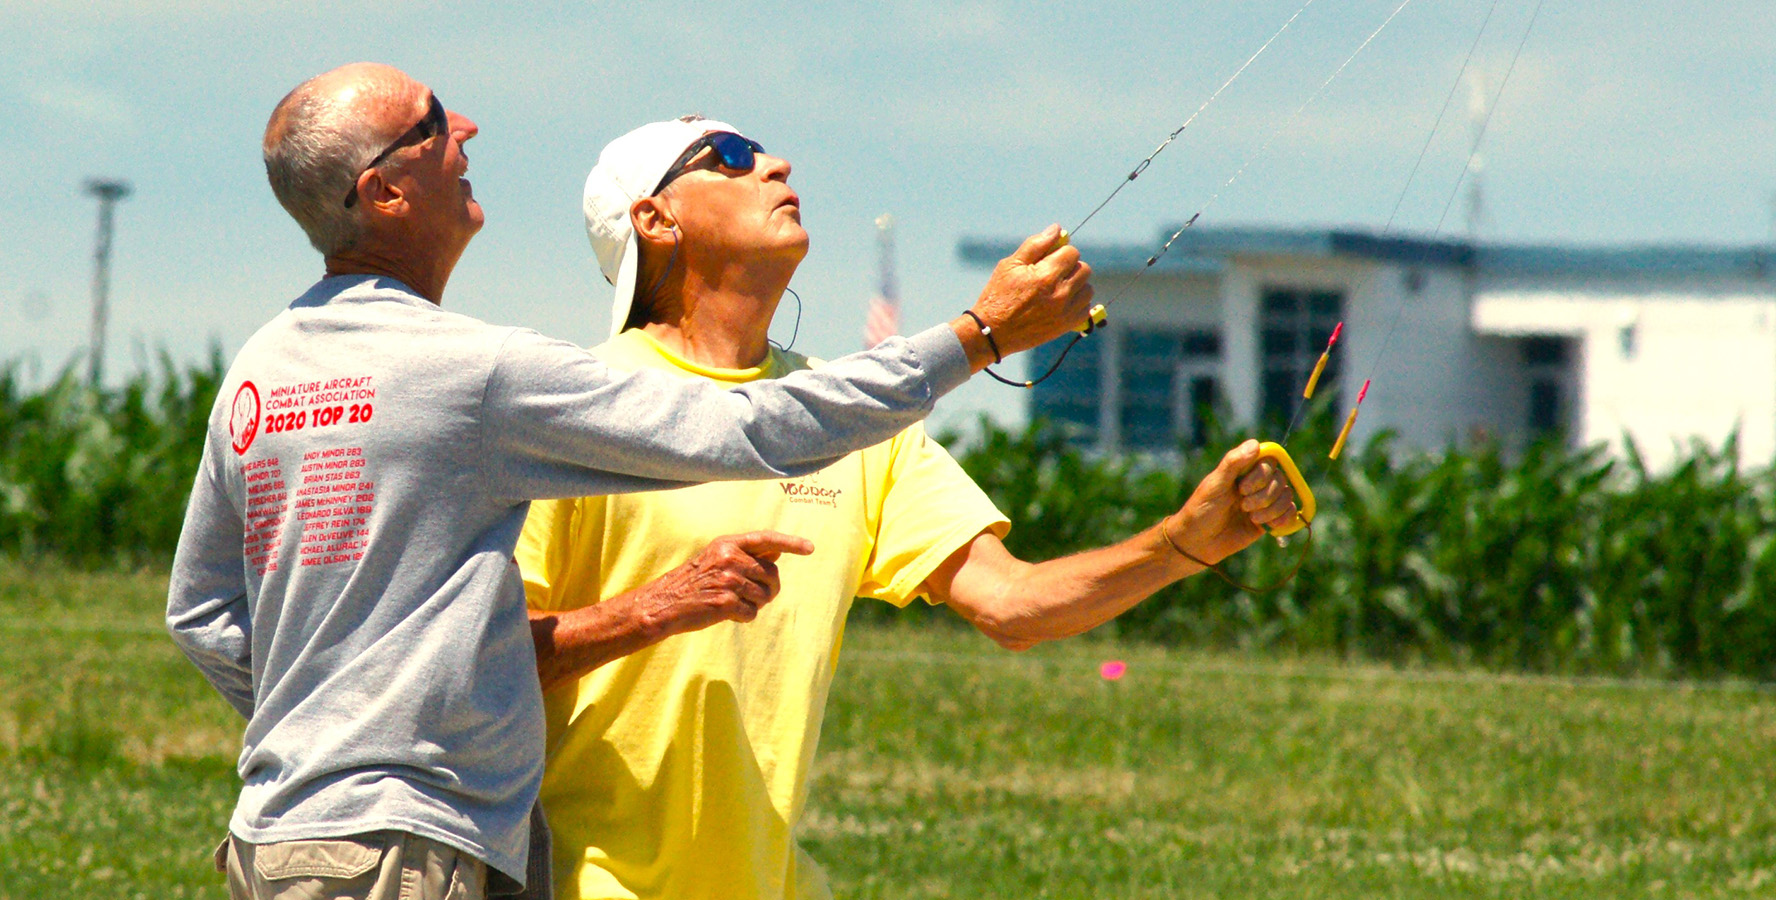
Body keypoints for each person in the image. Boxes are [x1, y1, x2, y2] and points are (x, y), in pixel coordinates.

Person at [164, 67, 1095, 900]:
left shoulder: (263, 369)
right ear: (386, 192)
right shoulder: (468, 370)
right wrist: (978, 334)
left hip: (278, 836)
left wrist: (325, 726)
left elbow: (200, 614)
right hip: (404, 852)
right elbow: (751, 427)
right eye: (433, 121)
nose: (468, 130)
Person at [514, 116, 1299, 900]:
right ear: (656, 220)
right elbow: (478, 662)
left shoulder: (854, 423)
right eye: (729, 157)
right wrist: (658, 607)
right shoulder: (575, 410)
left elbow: (1014, 605)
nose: (775, 163)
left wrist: (1179, 544)